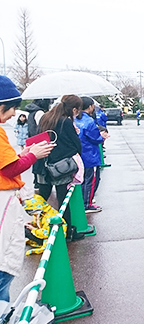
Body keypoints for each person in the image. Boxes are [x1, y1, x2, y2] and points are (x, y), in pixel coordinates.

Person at [0, 75, 54, 301]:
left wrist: (23, 155)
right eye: (11, 109)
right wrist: (33, 155)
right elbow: (9, 170)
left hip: (8, 198)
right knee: (5, 259)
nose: (14, 114)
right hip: (3, 200)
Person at [35, 95, 84, 240]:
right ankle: (67, 232)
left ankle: (39, 229)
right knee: (63, 201)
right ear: (74, 109)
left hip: (41, 165)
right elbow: (76, 146)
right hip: (59, 168)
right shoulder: (65, 122)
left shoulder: (45, 118)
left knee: (42, 200)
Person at [75, 97, 108, 213]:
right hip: (90, 154)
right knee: (92, 180)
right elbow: (95, 138)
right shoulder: (89, 121)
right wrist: (102, 136)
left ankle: (82, 201)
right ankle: (87, 204)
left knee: (81, 180)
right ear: (90, 106)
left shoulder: (74, 119)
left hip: (79, 154)